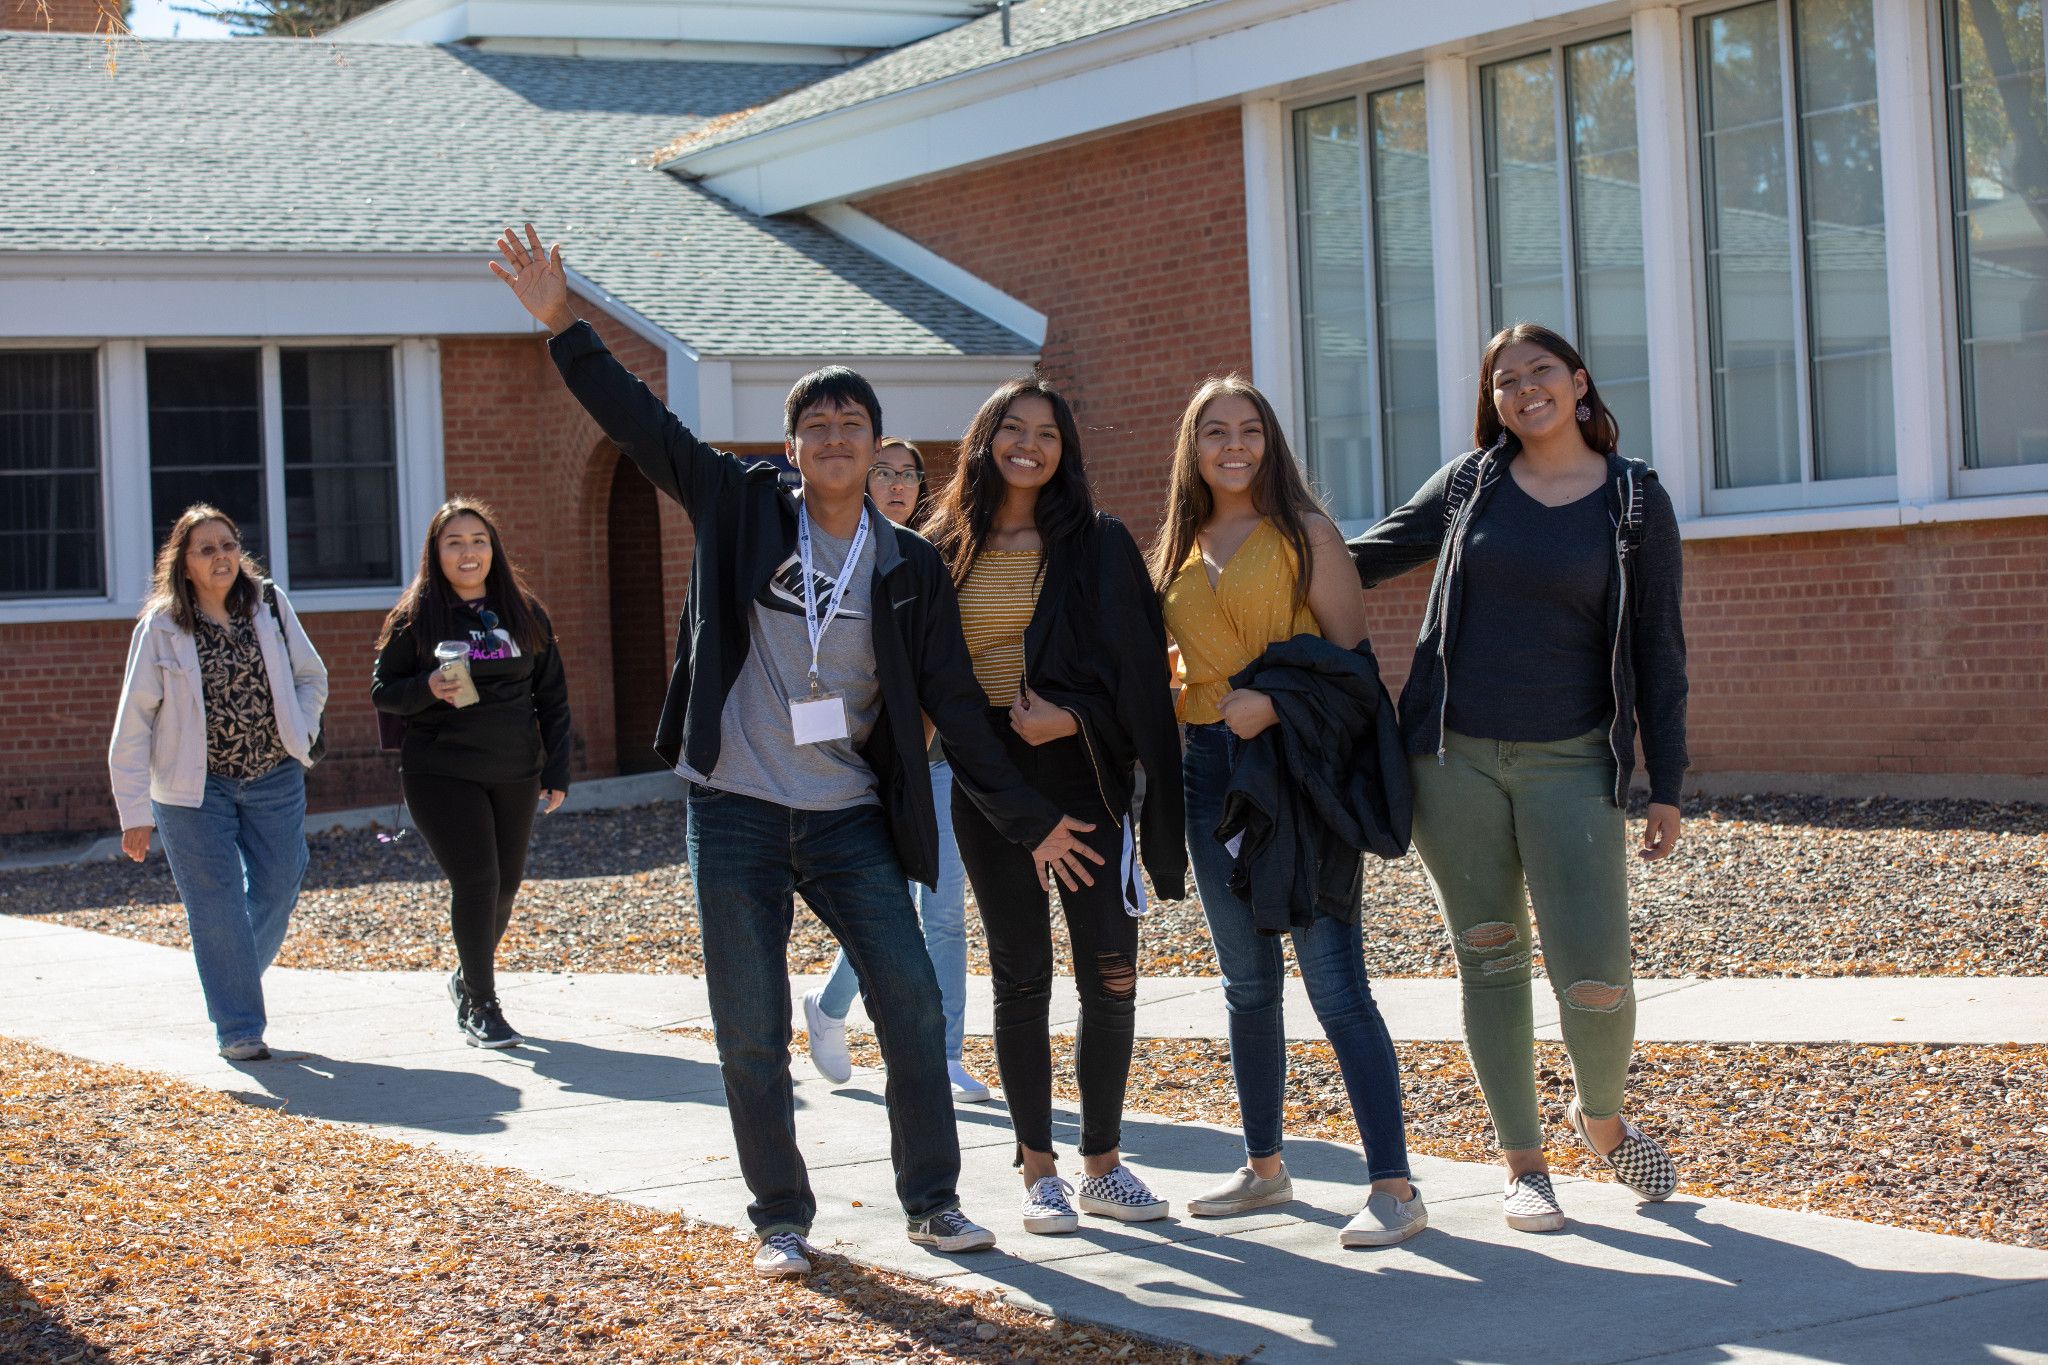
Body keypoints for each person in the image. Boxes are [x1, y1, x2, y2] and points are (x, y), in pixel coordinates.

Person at [491, 224, 1103, 1279]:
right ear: (788, 449)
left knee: (909, 997)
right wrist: (562, 324)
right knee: (748, 1019)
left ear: (878, 449)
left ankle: (932, 1202)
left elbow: (958, 708)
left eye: (850, 425)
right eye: (813, 425)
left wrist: (1032, 816)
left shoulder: (907, 565)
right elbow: (644, 427)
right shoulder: (738, 510)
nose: (831, 438)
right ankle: (779, 1214)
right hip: (730, 803)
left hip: (845, 813)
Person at [1348, 323, 1689, 1232]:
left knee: (1597, 973)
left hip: (1573, 761)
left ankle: (1601, 1115)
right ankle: (1524, 1165)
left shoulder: (1633, 501)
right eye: (1506, 379)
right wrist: (1242, 566)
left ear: (1579, 383)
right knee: (1491, 957)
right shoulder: (1470, 484)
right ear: (1492, 399)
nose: (1524, 389)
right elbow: (1364, 558)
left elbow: (1660, 649)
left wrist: (1668, 782)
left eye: (1541, 371)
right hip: (1449, 760)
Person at [1152, 376, 1425, 1248]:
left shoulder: (1307, 534)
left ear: (1271, 442)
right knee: (1245, 982)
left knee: (1336, 985)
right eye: (1215, 432)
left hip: (1298, 777)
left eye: (1250, 431)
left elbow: (1352, 673)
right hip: (1207, 772)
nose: (1234, 446)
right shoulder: (1178, 547)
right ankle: (1265, 1168)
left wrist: (1270, 703)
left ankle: (1394, 1186)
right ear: (1191, 449)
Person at [921, 379, 1186, 1235]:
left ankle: (1103, 1163)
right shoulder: (942, 549)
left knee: (1111, 973)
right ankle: (1039, 1168)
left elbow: (1142, 677)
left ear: (1066, 448)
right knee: (1022, 974)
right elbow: (927, 684)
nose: (1029, 445)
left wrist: (1073, 716)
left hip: (1085, 777)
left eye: (1046, 433)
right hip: (990, 783)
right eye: (1011, 429)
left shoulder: (1098, 545)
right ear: (983, 439)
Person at [802, 439, 992, 1106]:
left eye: (907, 473)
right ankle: (827, 1009)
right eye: (881, 470)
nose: (895, 484)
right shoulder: (828, 554)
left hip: (935, 762)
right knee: (883, 907)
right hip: (860, 764)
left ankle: (944, 1053)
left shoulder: (939, 556)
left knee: (941, 911)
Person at [109, 504, 329, 1061]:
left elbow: (312, 676)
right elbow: (133, 721)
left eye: (228, 544)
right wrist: (133, 812)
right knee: (216, 906)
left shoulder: (270, 605)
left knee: (282, 880)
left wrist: (300, 729)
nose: (221, 556)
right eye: (206, 549)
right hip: (192, 793)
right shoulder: (160, 627)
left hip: (274, 775)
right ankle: (238, 1027)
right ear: (183, 565)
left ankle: (228, 972)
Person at [371, 498, 572, 1050]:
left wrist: (556, 768)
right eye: (454, 542)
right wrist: (426, 688)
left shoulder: (523, 612)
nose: (468, 552)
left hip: (514, 769)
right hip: (441, 771)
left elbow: (551, 695)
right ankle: (482, 1004)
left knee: (504, 887)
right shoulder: (415, 618)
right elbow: (383, 691)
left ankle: (467, 974)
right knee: (478, 882)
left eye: (478, 540)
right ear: (436, 553)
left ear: (493, 549)